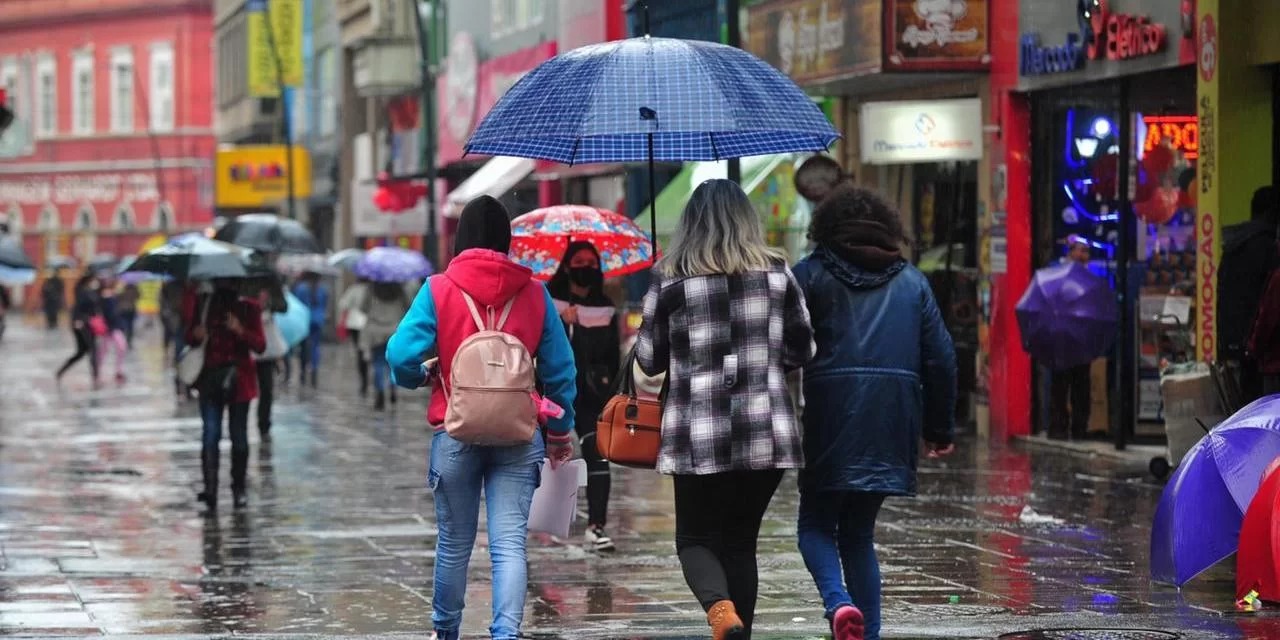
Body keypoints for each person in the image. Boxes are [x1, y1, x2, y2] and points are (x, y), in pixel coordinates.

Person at [386, 195, 577, 640]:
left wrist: (420, 377)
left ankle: (446, 631)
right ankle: (506, 634)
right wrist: (559, 431)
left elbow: (399, 355)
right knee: (509, 544)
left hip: (456, 431)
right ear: (506, 240)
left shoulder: (438, 289)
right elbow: (561, 370)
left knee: (454, 544)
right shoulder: (535, 293)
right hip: (520, 434)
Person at [635, 179, 815, 640]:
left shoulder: (670, 277)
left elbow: (649, 359)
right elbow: (803, 347)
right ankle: (738, 632)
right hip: (766, 429)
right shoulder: (778, 272)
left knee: (694, 539)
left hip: (698, 432)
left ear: (690, 225)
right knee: (739, 543)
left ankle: (719, 610)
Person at [791, 185, 957, 640]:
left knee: (815, 524)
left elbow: (781, 345)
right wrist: (939, 428)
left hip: (830, 417)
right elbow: (942, 358)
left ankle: (838, 602)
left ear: (825, 227)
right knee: (859, 533)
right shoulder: (913, 282)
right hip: (892, 418)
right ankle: (868, 633)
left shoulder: (809, 275)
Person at [547, 240, 621, 552]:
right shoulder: (548, 301)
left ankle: (596, 525)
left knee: (597, 453)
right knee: (549, 457)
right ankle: (546, 519)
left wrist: (582, 328)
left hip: (592, 395)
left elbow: (611, 356)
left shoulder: (605, 307)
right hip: (554, 393)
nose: (586, 268)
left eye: (592, 263)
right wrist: (563, 324)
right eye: (579, 262)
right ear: (566, 266)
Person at [187, 279, 266, 511]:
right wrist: (196, 334)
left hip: (239, 381)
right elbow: (189, 336)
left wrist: (239, 329)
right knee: (210, 434)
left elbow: (260, 345)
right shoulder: (204, 303)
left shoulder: (249, 307)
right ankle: (210, 488)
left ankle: (238, 488)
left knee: (238, 436)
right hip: (210, 378)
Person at [1219, 186, 1280, 402]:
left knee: (1247, 411)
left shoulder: (1233, 246)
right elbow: (1268, 312)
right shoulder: (1268, 248)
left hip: (1236, 348)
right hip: (1265, 359)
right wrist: (1254, 346)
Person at [1049, 236, 1095, 440]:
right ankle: (1058, 427)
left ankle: (1079, 428)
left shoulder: (1090, 279)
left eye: (1086, 251)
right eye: (1079, 250)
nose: (1082, 255)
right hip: (1061, 338)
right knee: (1060, 386)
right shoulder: (1057, 275)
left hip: (1082, 340)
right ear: (1070, 252)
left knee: (1081, 387)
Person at [360, 281, 411, 411]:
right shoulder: (400, 290)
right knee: (392, 363)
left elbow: (363, 308)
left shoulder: (372, 289)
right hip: (395, 330)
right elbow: (408, 307)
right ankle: (393, 386)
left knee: (378, 363)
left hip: (375, 331)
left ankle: (380, 390)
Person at [254, 287, 288, 443]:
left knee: (266, 390)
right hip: (249, 350)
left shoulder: (272, 304)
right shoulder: (246, 300)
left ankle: (264, 424)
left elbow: (284, 307)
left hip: (267, 353)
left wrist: (273, 299)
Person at [56, 274, 103, 386]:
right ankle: (95, 377)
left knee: (82, 352)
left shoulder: (93, 292)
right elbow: (77, 307)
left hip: (91, 324)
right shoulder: (82, 292)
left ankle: (61, 371)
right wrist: (77, 320)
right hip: (83, 324)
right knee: (92, 350)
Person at [292, 272, 330, 387]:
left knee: (303, 346)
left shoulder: (301, 288)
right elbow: (325, 305)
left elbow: (296, 305)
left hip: (304, 319)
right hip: (318, 320)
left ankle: (303, 372)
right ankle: (314, 369)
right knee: (315, 346)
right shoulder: (323, 289)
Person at [337, 278, 372, 396]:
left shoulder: (353, 289)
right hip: (367, 324)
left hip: (354, 324)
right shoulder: (371, 290)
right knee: (369, 351)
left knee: (359, 351)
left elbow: (343, 304)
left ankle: (364, 380)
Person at [96, 276, 129, 383]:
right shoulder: (106, 296)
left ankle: (118, 371)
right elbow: (108, 313)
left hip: (115, 326)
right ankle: (98, 371)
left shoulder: (114, 295)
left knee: (120, 347)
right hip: (109, 327)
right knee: (104, 350)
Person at [117, 281, 140, 347]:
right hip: (128, 310)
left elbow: (118, 297)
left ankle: (124, 340)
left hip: (126, 310)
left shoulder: (123, 290)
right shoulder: (132, 290)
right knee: (129, 326)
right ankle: (127, 341)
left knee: (125, 326)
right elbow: (138, 296)